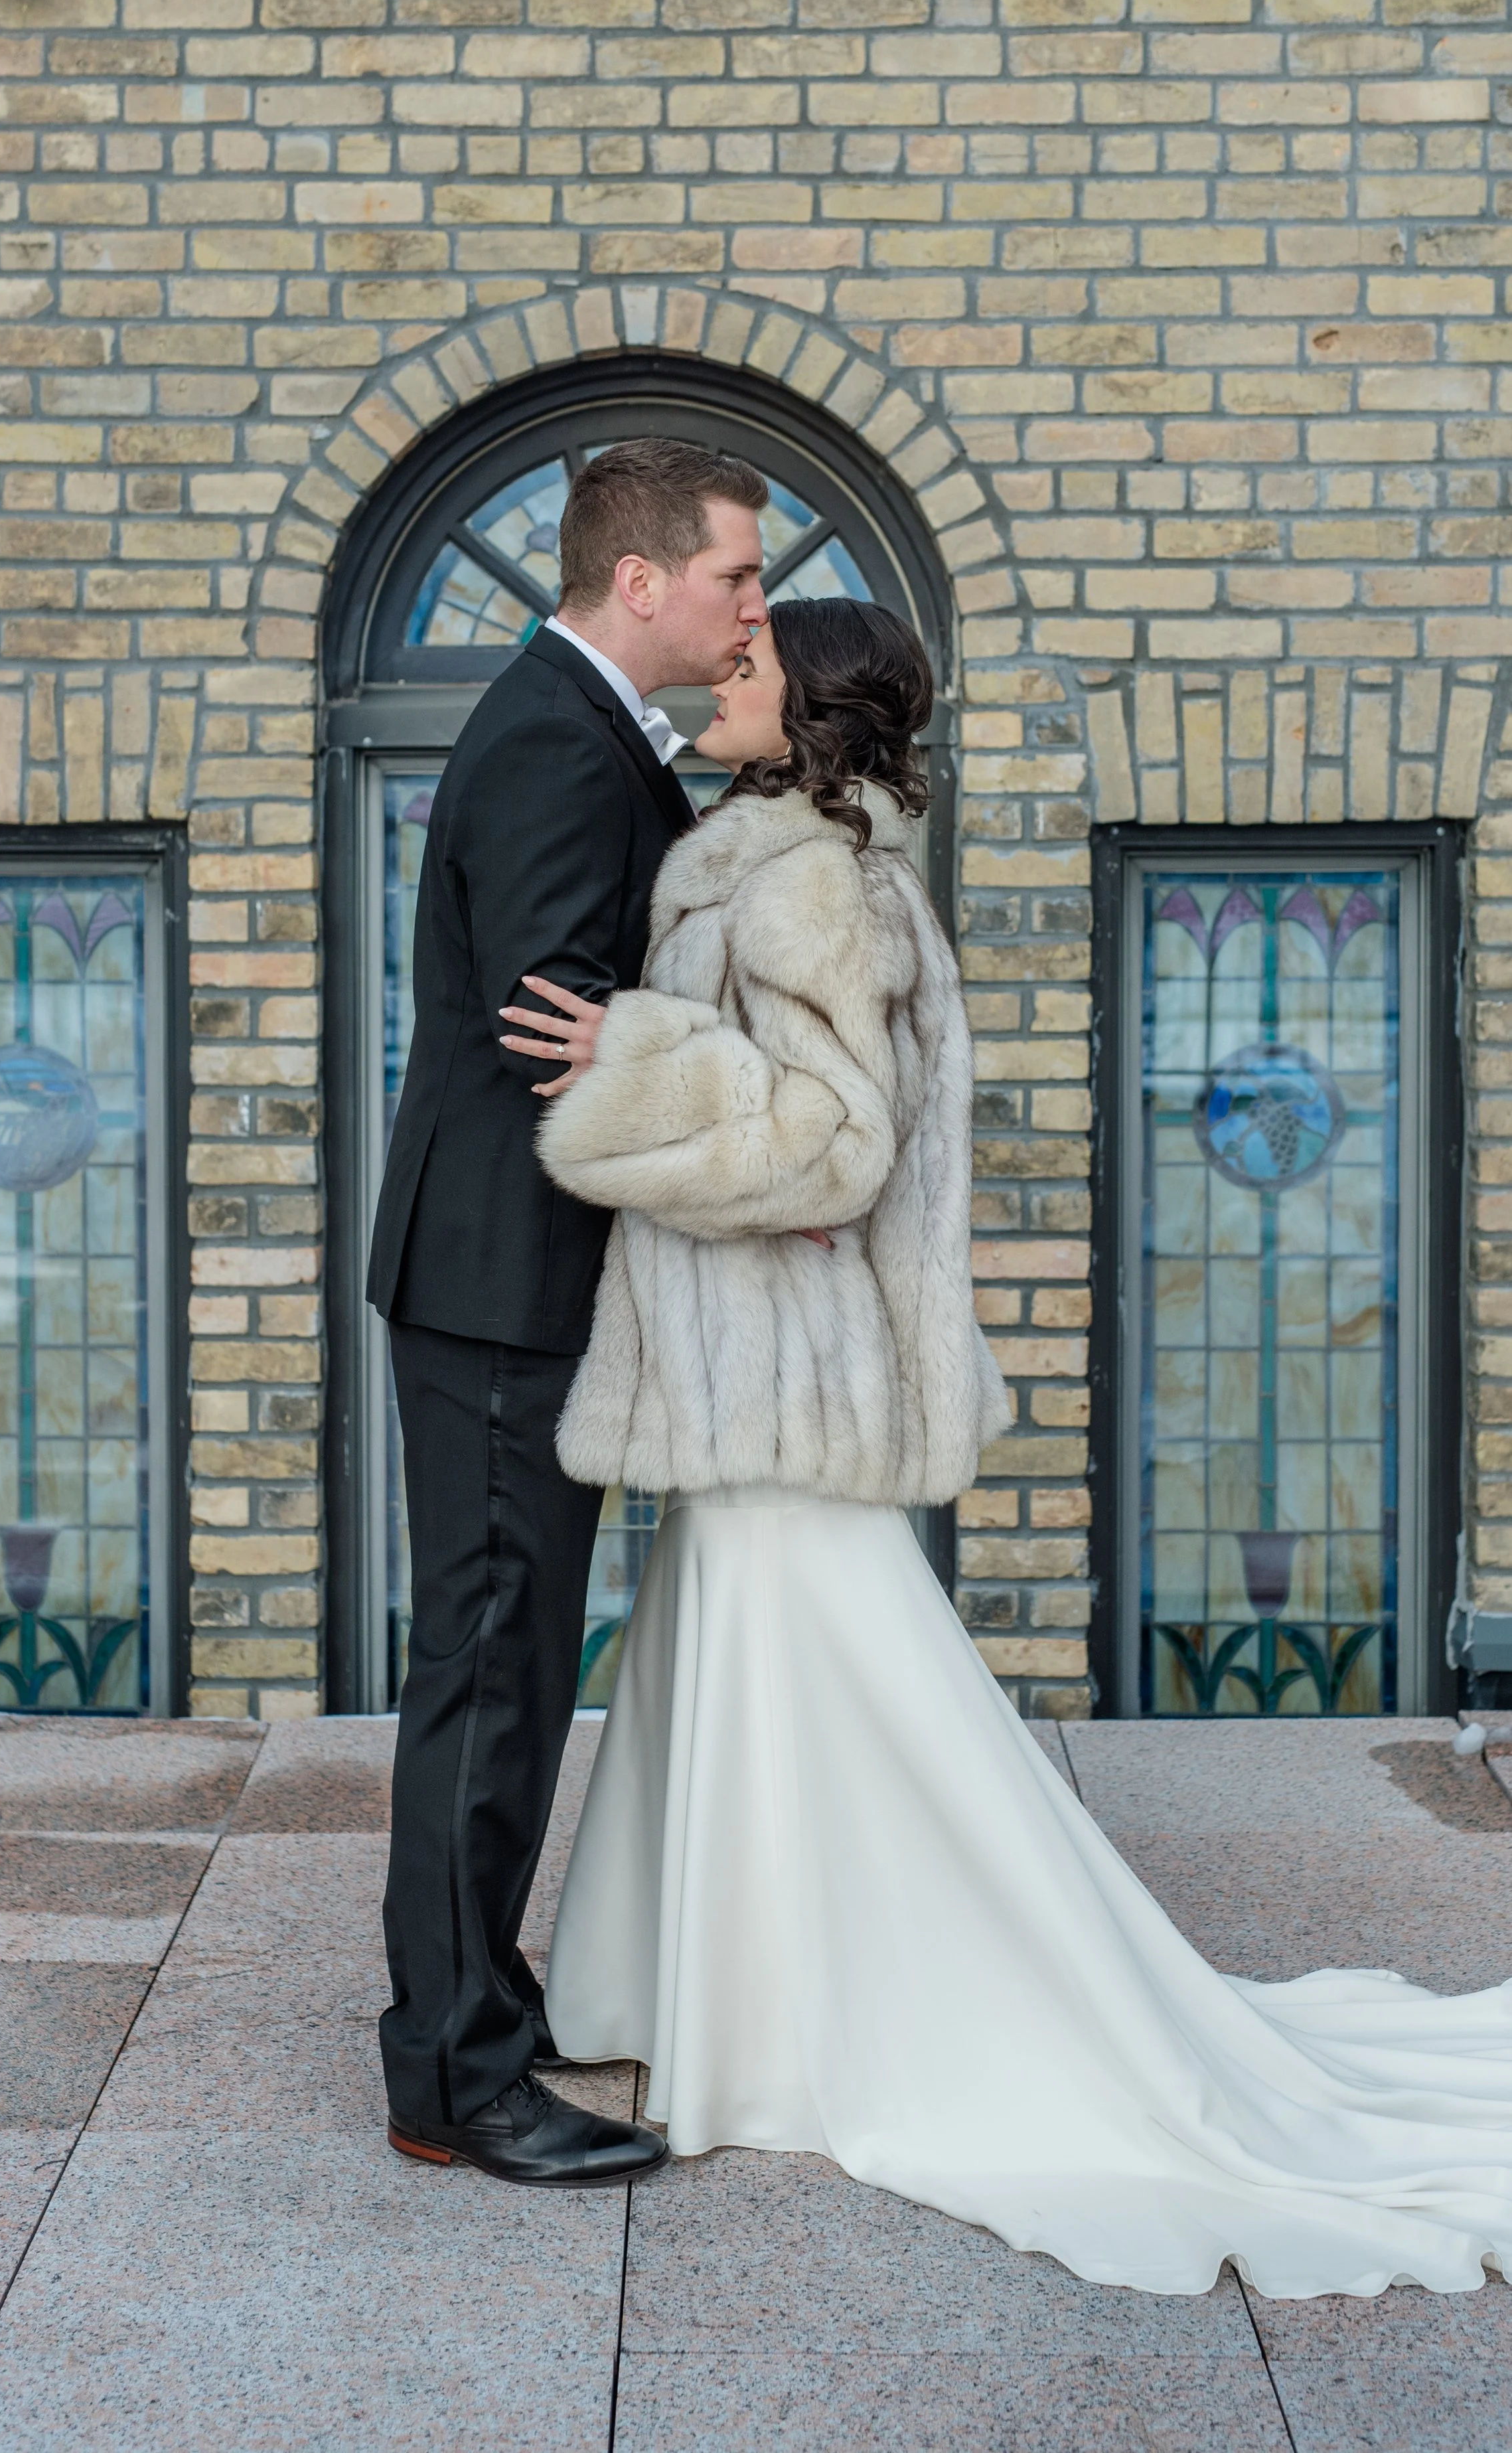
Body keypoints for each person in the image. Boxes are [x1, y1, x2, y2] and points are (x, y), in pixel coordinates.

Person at [504, 597, 1512, 2298]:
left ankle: (820, 2024)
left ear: (810, 714)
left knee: (830, 1687)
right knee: (756, 1678)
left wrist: (639, 1058)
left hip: (787, 1380)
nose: (718, 680)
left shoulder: (814, 882)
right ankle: (719, 2001)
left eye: (749, 669)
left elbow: (834, 1143)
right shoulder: (759, 856)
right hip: (757, 1369)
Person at [368, 437, 769, 2187]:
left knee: (513, 1662)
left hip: (518, 1287)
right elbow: (560, 1034)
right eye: (736, 578)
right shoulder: (550, 735)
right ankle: (455, 2076)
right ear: (641, 584)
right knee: (489, 1672)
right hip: (498, 1289)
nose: (755, 608)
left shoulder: (586, 725)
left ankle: (480, 2008)